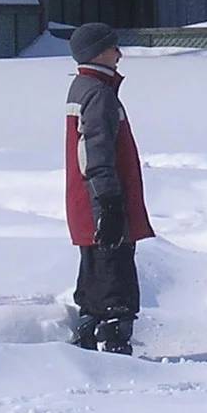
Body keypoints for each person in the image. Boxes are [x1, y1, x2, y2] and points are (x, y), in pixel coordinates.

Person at [65, 22, 155, 355]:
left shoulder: (84, 88)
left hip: (87, 207)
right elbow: (95, 152)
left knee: (94, 279)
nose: (119, 54)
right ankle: (115, 349)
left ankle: (87, 339)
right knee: (115, 282)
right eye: (113, 47)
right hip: (101, 206)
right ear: (97, 53)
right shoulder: (98, 94)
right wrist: (109, 203)